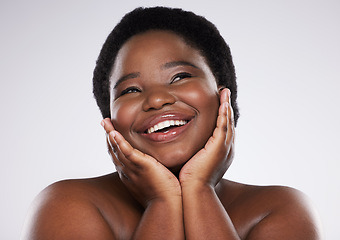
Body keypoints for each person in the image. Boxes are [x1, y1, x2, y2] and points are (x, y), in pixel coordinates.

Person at [21, 7, 322, 240]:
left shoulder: (277, 209)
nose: (156, 99)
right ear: (110, 120)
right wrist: (161, 201)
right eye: (130, 90)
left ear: (223, 95)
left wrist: (199, 189)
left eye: (180, 77)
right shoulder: (69, 204)